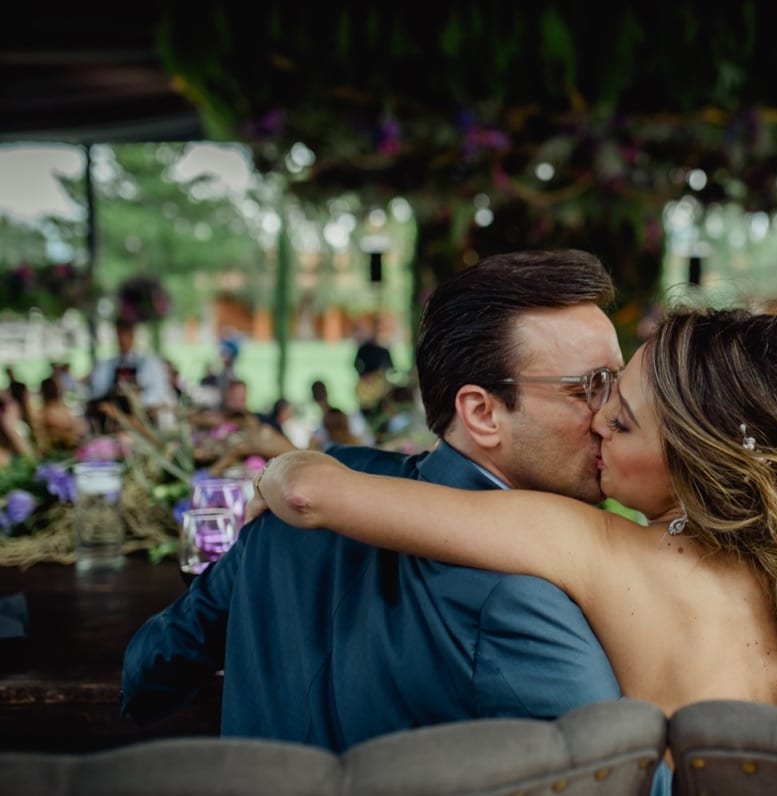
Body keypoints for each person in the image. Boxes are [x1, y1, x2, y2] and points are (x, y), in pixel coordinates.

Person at [257, 307, 777, 713]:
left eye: (624, 420)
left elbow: (309, 495)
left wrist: (277, 464)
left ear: (691, 462)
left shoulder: (594, 545)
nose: (599, 422)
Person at [123, 250, 626, 753]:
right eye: (594, 387)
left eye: (619, 384)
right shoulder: (522, 597)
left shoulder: (309, 491)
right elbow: (629, 775)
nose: (615, 416)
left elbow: (148, 675)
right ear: (482, 413)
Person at [89, 317, 173, 410]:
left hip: (141, 413)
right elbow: (98, 392)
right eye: (120, 336)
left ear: (133, 336)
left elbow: (158, 393)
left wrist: (139, 400)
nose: (123, 340)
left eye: (126, 335)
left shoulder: (149, 363)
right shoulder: (107, 365)